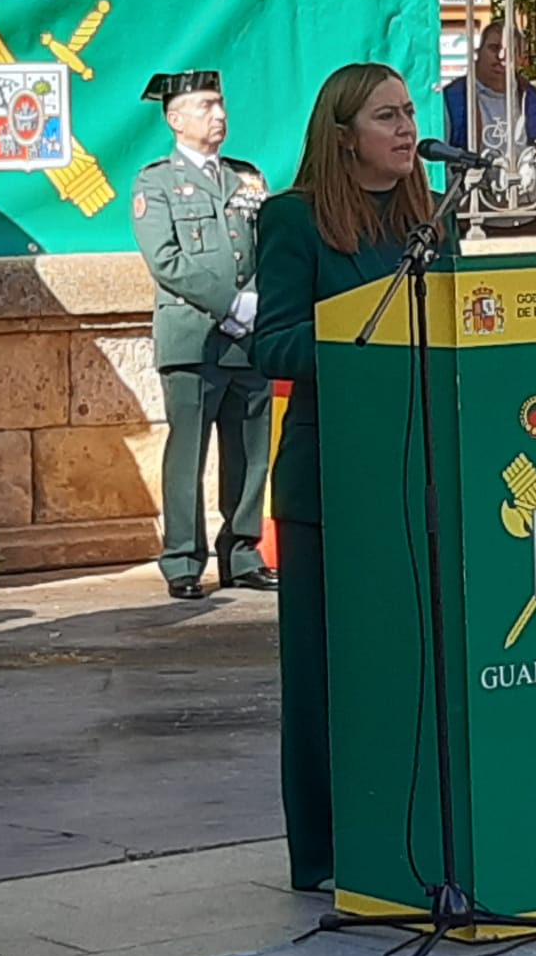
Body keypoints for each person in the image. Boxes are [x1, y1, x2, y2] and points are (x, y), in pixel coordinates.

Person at [254, 62, 436, 891]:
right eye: (386, 116)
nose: (406, 129)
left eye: (409, 113)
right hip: (330, 483)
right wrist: (364, 331)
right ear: (343, 132)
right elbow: (273, 344)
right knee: (327, 672)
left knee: (417, 660)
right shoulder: (291, 220)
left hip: (424, 473)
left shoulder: (426, 215)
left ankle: (416, 826)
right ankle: (324, 852)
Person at [129, 71, 276, 601]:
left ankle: (241, 553)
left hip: (250, 337)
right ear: (175, 118)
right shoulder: (156, 182)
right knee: (188, 450)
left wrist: (259, 303)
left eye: (222, 103)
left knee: (250, 449)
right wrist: (230, 303)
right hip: (193, 337)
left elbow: (270, 245)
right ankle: (183, 560)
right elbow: (166, 261)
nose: (220, 114)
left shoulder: (247, 177)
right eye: (207, 105)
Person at [442, 21, 536, 230]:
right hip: (474, 219)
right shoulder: (453, 98)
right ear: (478, 52)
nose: (501, 57)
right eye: (494, 48)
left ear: (520, 60)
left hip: (529, 216)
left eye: (510, 52)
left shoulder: (531, 98)